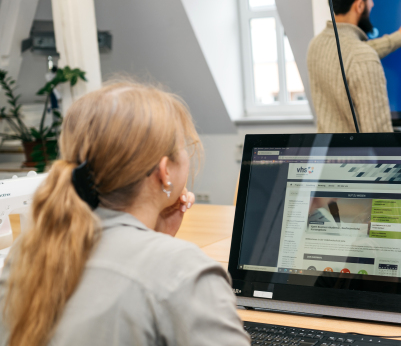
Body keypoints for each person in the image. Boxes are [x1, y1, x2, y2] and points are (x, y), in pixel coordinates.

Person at [0, 82, 251, 346]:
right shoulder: (186, 274)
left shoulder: (25, 254)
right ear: (165, 172)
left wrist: (154, 237)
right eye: (184, 147)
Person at [308, 0, 401, 133]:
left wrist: (398, 37)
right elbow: (379, 138)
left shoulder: (315, 46)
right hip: (359, 156)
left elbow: (349, 55)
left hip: (328, 154)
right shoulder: (363, 57)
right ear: (359, 6)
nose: (372, 4)